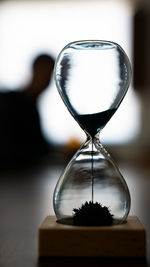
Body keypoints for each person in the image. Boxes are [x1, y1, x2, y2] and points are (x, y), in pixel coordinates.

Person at [0, 54, 55, 167]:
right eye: (44, 73)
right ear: (34, 70)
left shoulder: (33, 109)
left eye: (49, 75)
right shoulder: (9, 104)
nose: (46, 80)